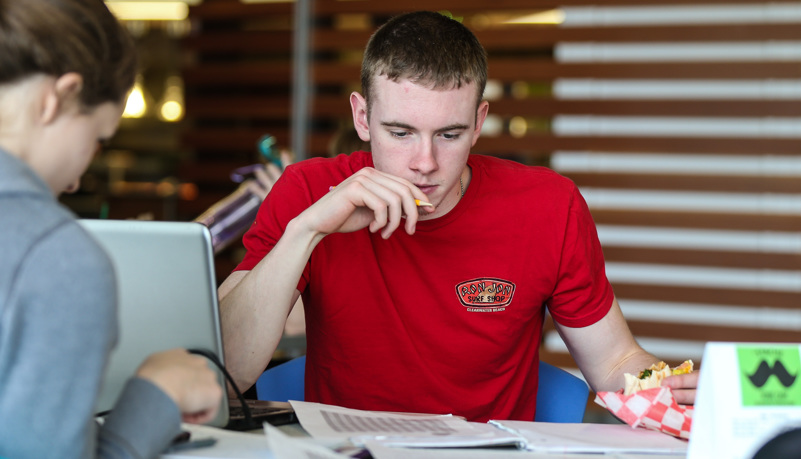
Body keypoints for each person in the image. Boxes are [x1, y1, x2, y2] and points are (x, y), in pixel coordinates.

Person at [219, 10, 699, 422]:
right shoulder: (306, 190)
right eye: (400, 132)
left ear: (478, 122)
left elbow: (615, 359)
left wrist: (673, 392)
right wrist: (307, 229)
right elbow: (227, 370)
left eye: (448, 134)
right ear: (362, 118)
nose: (424, 162)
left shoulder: (549, 205)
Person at [0, 1, 222, 457]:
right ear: (57, 98)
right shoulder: (55, 255)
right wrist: (154, 398)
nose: (77, 179)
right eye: (97, 139)